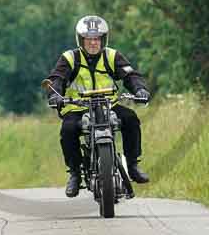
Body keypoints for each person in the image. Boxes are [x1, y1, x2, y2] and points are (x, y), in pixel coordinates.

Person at [45, 15, 150, 198]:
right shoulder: (70, 58)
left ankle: (132, 165)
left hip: (108, 104)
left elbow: (130, 75)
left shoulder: (112, 55)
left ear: (103, 39)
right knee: (68, 129)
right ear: (81, 40)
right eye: (88, 39)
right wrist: (55, 95)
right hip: (78, 107)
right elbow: (57, 79)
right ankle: (75, 174)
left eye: (97, 39)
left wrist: (140, 89)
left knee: (131, 119)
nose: (93, 43)